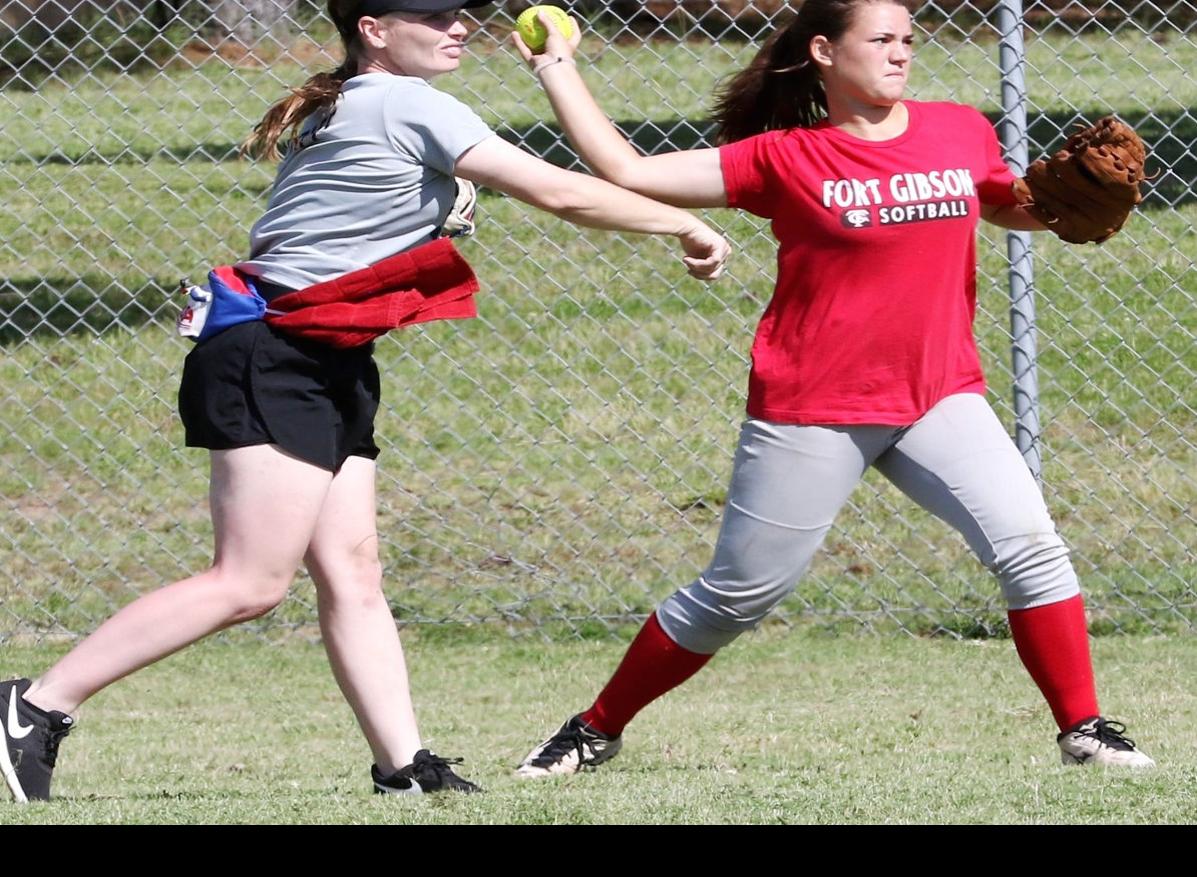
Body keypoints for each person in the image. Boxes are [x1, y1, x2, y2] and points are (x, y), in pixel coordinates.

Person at [0, 0, 730, 803]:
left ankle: (403, 766)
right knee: (249, 582)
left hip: (323, 353)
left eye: (461, 15)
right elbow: (556, 191)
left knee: (353, 570)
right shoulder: (402, 101)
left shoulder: (359, 99)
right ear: (374, 30)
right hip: (274, 354)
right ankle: (35, 706)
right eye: (434, 14)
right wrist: (682, 227)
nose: (457, 27)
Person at [512, 0, 1154, 777]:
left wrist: (1059, 209)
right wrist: (555, 66)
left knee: (1032, 550)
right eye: (880, 39)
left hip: (936, 392)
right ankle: (595, 726)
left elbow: (1001, 206)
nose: (899, 54)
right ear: (823, 51)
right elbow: (628, 172)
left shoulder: (958, 129)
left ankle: (1082, 729)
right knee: (736, 595)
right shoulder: (783, 156)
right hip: (815, 404)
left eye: (908, 40)